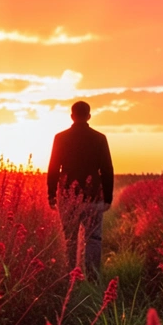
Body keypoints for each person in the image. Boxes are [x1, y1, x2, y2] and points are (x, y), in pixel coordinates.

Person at [47, 101, 114, 279]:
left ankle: (71, 277)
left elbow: (53, 168)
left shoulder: (60, 138)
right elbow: (107, 169)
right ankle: (92, 276)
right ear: (89, 116)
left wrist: (51, 195)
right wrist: (108, 198)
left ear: (72, 116)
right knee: (94, 238)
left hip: (68, 196)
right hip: (93, 197)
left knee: (69, 238)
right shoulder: (100, 138)